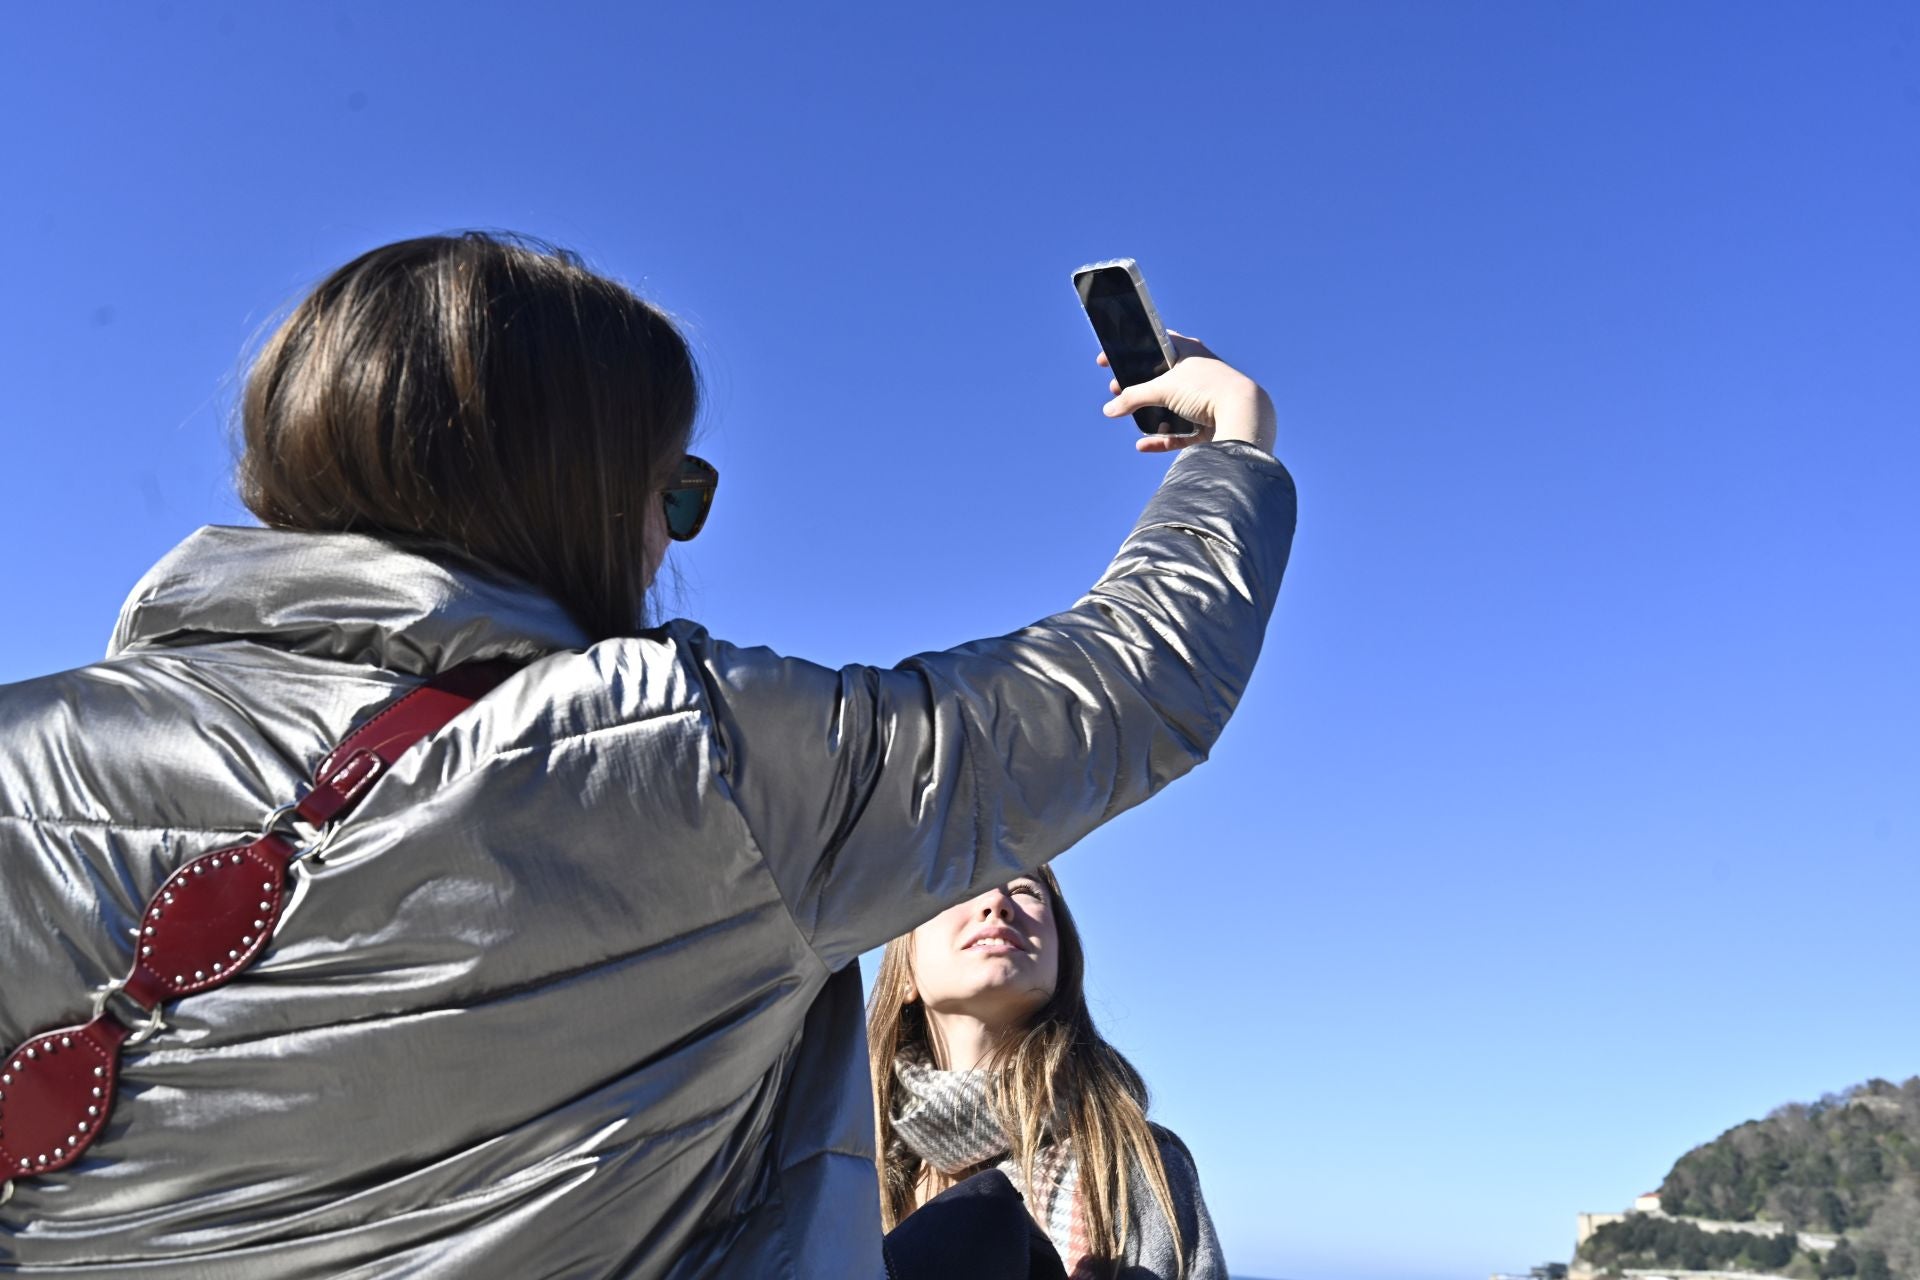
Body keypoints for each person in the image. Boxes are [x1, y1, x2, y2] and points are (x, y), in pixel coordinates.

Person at [0, 232, 1294, 1278]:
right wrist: (1233, 446)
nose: (671, 539)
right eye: (675, 490)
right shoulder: (685, 760)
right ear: (579, 485)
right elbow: (1129, 687)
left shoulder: (24, 754)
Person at [869, 868, 1226, 1280]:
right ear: (905, 972)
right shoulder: (847, 1175)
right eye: (960, 887)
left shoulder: (1132, 1166)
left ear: (1062, 962)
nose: (996, 903)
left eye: (1025, 890)